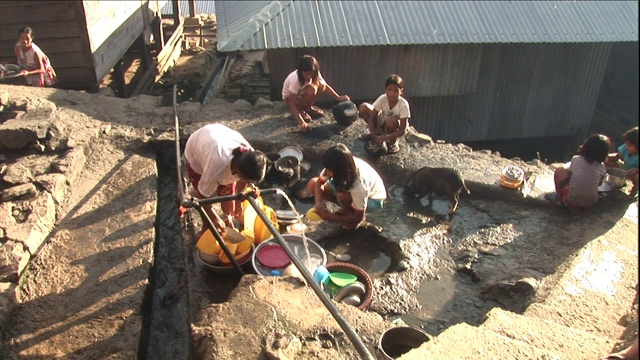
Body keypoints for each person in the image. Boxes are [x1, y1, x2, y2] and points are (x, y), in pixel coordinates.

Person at [184, 124, 267, 235]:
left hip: (217, 135)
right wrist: (214, 217)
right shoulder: (216, 167)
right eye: (245, 178)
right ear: (237, 173)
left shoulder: (249, 156)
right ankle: (206, 227)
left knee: (228, 194)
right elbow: (201, 196)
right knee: (205, 200)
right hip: (196, 151)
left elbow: (243, 182)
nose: (247, 182)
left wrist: (239, 200)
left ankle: (228, 219)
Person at [306, 143, 387, 230]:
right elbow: (319, 183)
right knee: (312, 184)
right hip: (346, 183)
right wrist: (319, 203)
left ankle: (350, 215)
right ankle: (347, 209)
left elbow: (359, 216)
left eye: (330, 171)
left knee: (342, 195)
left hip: (373, 199)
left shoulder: (359, 184)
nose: (327, 173)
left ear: (340, 170)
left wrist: (330, 217)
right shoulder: (338, 165)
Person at [282, 55, 350, 132]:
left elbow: (325, 86)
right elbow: (291, 103)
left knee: (321, 85)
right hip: (290, 99)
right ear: (301, 72)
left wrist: (338, 97)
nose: (309, 76)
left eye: (311, 74)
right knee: (312, 89)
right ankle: (300, 110)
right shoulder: (295, 80)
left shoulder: (315, 74)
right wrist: (301, 122)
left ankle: (308, 107)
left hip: (303, 93)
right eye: (306, 74)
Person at [549, 134, 610, 209]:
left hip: (572, 201)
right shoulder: (602, 167)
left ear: (586, 146)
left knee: (559, 171)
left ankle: (558, 200)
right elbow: (599, 184)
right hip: (591, 203)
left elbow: (570, 173)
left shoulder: (576, 159)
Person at [357, 74, 411, 154]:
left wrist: (385, 138)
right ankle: (377, 134)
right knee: (363, 107)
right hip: (382, 121)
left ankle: (392, 141)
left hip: (394, 127)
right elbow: (372, 117)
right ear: (386, 91)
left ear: (401, 91)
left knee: (390, 121)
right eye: (389, 90)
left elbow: (401, 131)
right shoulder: (383, 98)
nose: (392, 93)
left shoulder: (403, 105)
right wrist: (374, 135)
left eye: (396, 90)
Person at [605, 126, 639, 199]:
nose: (627, 147)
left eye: (630, 146)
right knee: (608, 160)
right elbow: (617, 155)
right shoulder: (626, 148)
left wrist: (636, 169)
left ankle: (635, 188)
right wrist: (606, 156)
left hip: (634, 174)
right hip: (625, 168)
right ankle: (612, 179)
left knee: (636, 175)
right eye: (626, 144)